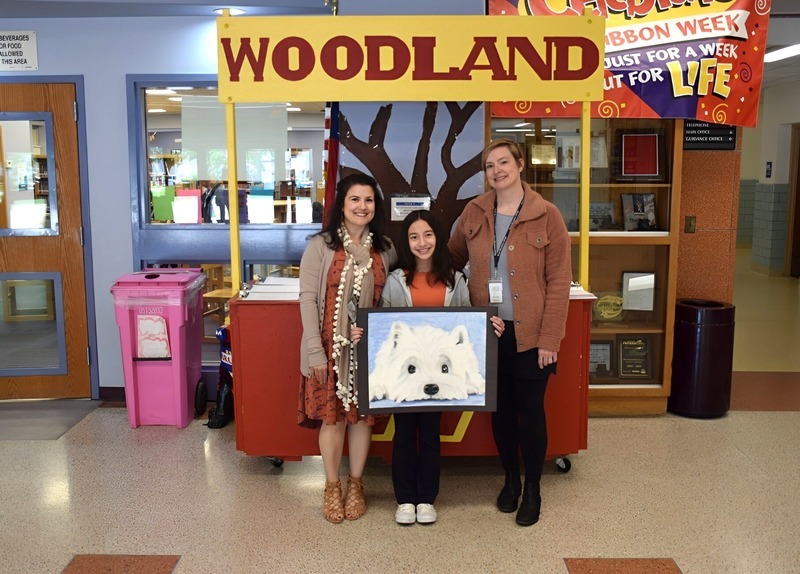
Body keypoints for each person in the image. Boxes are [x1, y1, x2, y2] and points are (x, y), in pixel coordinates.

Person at [448, 138, 572, 526]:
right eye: (489, 165)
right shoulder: (474, 212)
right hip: (490, 332)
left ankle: (533, 487)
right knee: (499, 413)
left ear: (520, 165)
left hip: (532, 335)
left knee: (530, 412)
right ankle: (510, 479)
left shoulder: (547, 215)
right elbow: (450, 258)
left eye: (503, 162)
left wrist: (551, 340)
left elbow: (559, 281)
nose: (496, 170)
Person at [380, 210, 505, 525]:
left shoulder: (456, 280)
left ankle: (427, 499)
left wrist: (488, 324)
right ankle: (405, 499)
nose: (422, 243)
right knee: (405, 436)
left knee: (432, 436)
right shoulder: (395, 281)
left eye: (428, 235)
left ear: (438, 238)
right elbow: (382, 325)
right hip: (408, 381)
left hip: (439, 378)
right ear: (406, 242)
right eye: (414, 237)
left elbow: (467, 322)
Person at [298, 173, 397, 524]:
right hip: (328, 348)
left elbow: (390, 300)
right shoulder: (320, 246)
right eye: (355, 199)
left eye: (368, 200)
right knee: (333, 418)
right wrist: (315, 351)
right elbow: (308, 300)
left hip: (368, 350)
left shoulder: (384, 249)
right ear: (342, 203)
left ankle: (356, 484)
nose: (362, 206)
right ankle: (332, 486)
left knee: (362, 420)